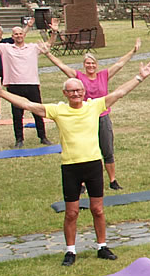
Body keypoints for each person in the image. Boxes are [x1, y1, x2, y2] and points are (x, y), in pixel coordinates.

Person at [0, 61, 150, 266]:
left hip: (93, 164)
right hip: (70, 167)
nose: (75, 94)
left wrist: (140, 77)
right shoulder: (58, 110)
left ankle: (102, 246)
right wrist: (2, 93)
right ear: (65, 93)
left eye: (78, 90)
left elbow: (119, 92)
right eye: (71, 91)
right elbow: (27, 105)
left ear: (84, 91)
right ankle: (70, 251)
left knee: (98, 210)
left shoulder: (94, 106)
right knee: (72, 212)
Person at [44, 40, 142, 191]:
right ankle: (82, 183)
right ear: (84, 65)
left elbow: (119, 64)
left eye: (93, 63)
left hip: (102, 116)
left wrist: (133, 51)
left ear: (96, 65)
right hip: (84, 118)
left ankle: (113, 180)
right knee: (83, 149)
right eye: (87, 63)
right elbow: (62, 66)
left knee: (107, 149)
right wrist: (48, 54)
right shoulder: (78, 77)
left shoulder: (103, 75)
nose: (90, 66)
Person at [0, 13, 57, 148]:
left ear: (24, 35)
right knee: (17, 114)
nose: (19, 36)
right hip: (14, 86)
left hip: (32, 84)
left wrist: (54, 32)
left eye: (20, 33)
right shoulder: (5, 48)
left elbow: (48, 44)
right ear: (12, 37)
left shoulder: (33, 48)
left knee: (38, 112)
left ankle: (43, 137)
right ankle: (19, 139)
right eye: (16, 34)